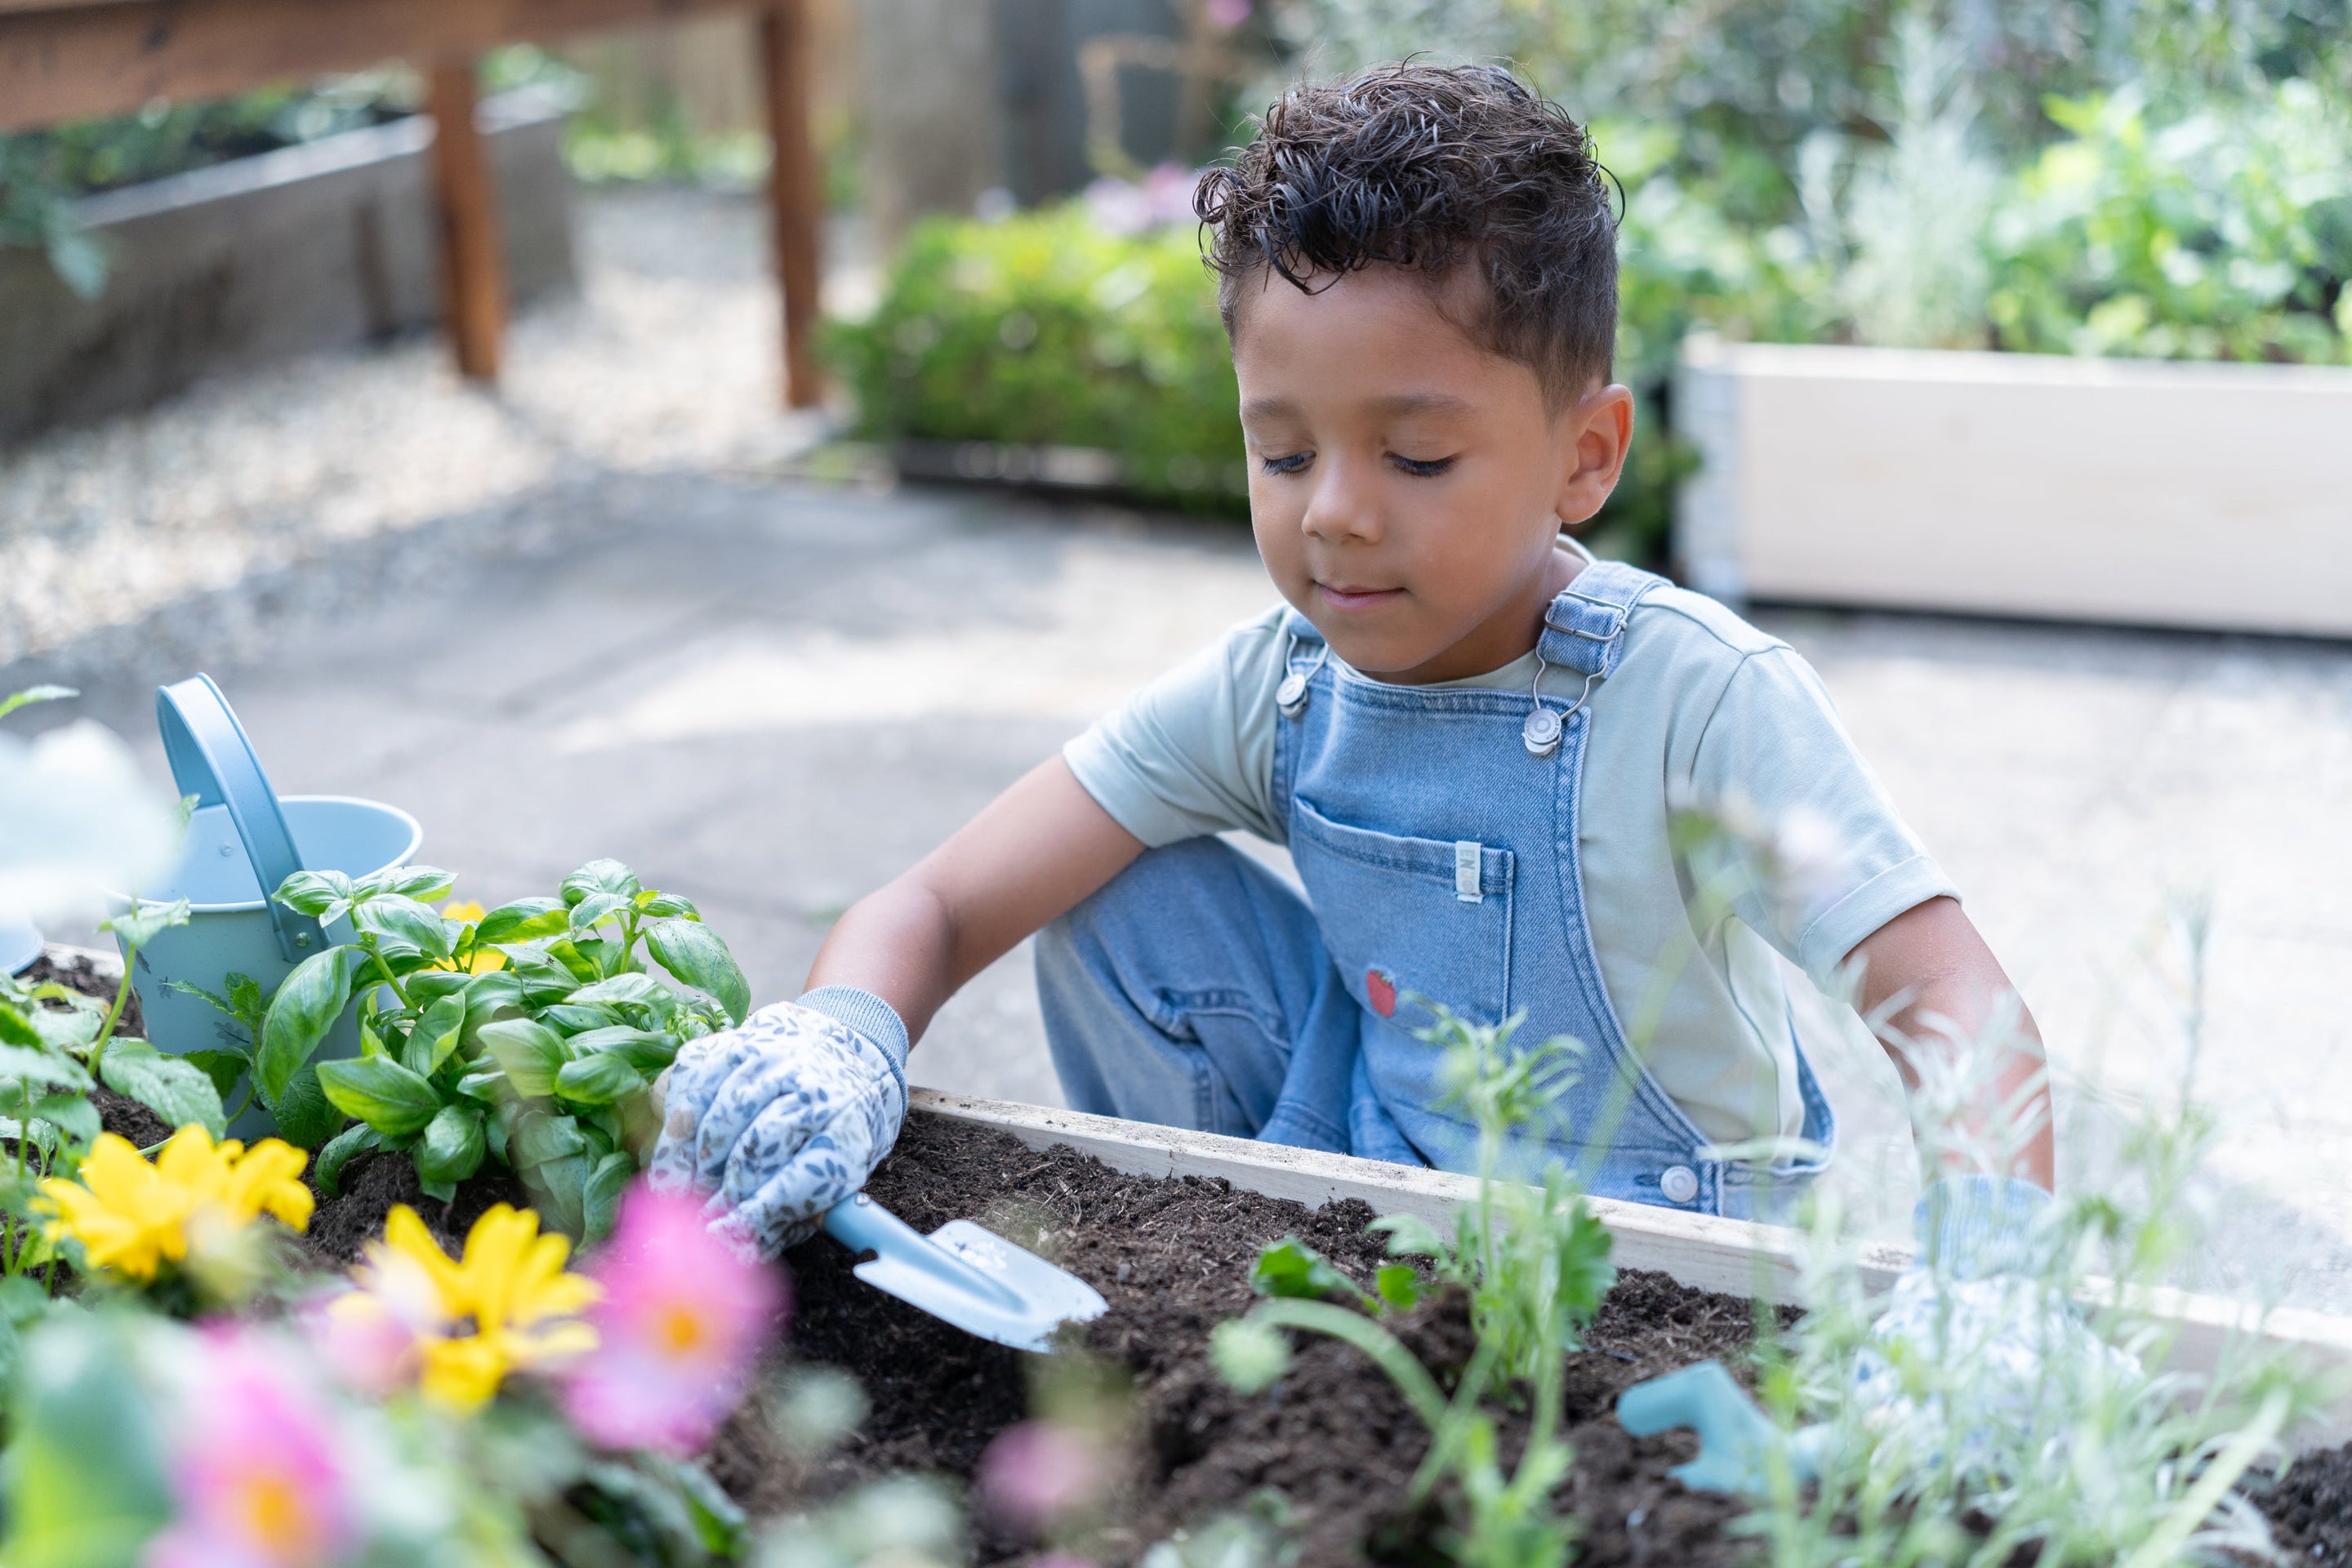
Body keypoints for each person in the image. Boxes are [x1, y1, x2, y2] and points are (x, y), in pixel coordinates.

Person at [648, 63, 2054, 1262]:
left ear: (1586, 456)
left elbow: (1946, 993)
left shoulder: (1694, 699)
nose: (1335, 510)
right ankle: (1226, 1266)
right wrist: (837, 1040)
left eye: (1419, 455)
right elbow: (947, 899)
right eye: (1284, 450)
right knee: (1113, 881)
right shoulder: (1285, 683)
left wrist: (1998, 1274)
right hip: (1373, 1189)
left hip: (1665, 1251)